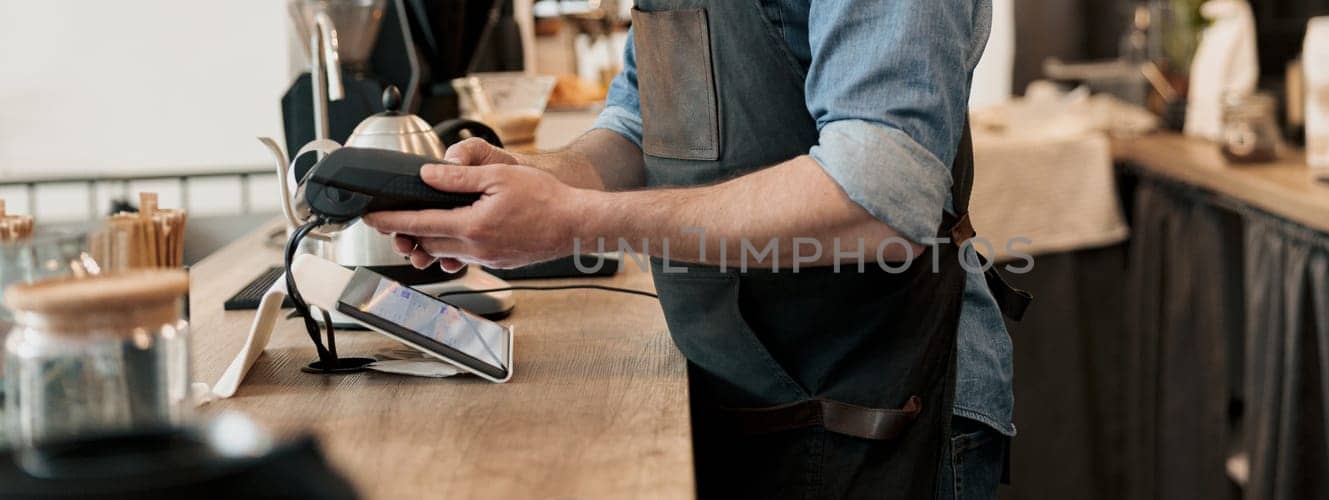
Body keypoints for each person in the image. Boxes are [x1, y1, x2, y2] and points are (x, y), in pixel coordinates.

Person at [363, 0, 1027, 497]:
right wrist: (533, 182)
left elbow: (878, 197)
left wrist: (577, 221)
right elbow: (638, 121)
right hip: (740, 390)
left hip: (877, 399)